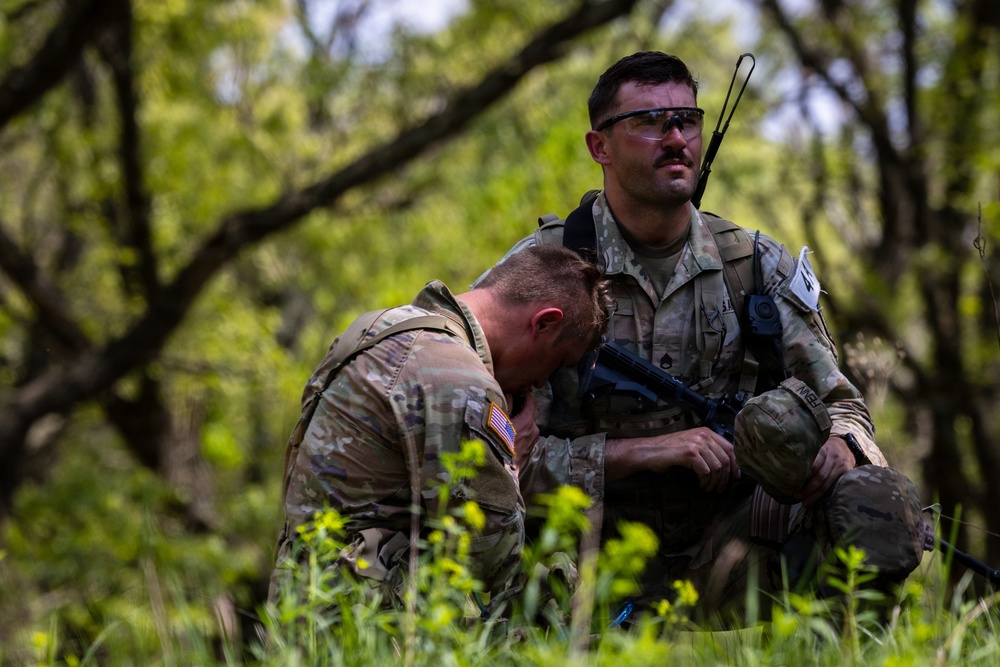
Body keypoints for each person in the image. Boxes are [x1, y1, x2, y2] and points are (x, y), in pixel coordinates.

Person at [484, 51, 924, 624]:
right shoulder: (541, 273)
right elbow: (488, 451)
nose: (675, 138)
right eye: (648, 121)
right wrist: (639, 453)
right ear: (600, 147)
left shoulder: (756, 266)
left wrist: (840, 448)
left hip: (730, 545)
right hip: (581, 551)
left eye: (686, 120)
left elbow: (844, 405)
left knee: (873, 500)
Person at [269, 245, 611, 612]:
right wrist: (514, 460)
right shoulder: (460, 381)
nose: (543, 382)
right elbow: (491, 559)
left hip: (304, 602)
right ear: (544, 323)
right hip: (363, 622)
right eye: (559, 362)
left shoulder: (382, 325)